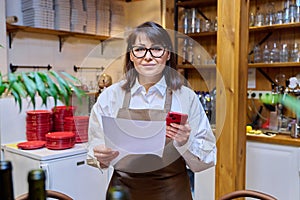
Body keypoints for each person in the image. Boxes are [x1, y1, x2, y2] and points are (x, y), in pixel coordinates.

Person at [88, 21, 216, 200]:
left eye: (156, 49)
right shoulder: (110, 97)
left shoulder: (186, 98)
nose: (148, 57)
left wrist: (185, 142)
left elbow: (207, 159)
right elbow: (94, 149)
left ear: (168, 54)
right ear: (131, 55)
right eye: (140, 49)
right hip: (122, 193)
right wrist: (101, 156)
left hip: (171, 193)